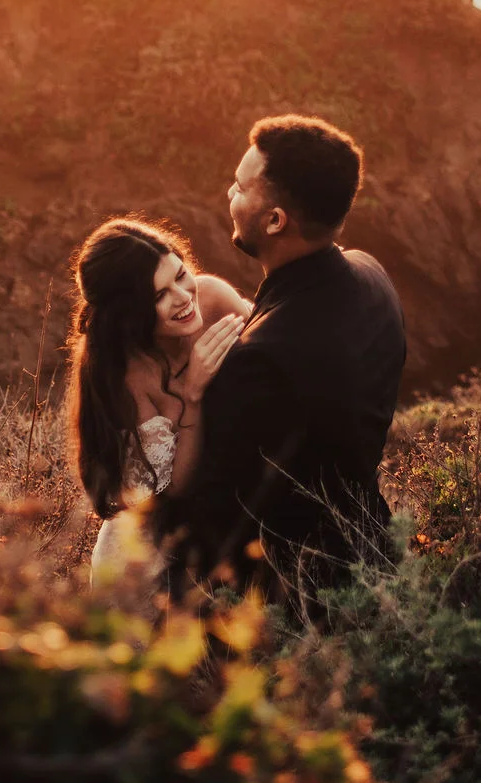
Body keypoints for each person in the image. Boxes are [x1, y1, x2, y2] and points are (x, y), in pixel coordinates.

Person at [150, 115, 406, 611]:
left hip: (300, 597)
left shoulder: (259, 362)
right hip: (374, 545)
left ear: (274, 220)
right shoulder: (372, 276)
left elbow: (208, 512)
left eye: (242, 187)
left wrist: (193, 392)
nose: (229, 192)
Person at [69, 218, 251, 584]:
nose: (184, 296)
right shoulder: (127, 377)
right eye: (159, 295)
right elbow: (174, 489)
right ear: (128, 315)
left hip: (227, 522)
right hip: (145, 557)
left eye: (180, 275)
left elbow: (277, 344)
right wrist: (192, 395)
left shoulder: (213, 298)